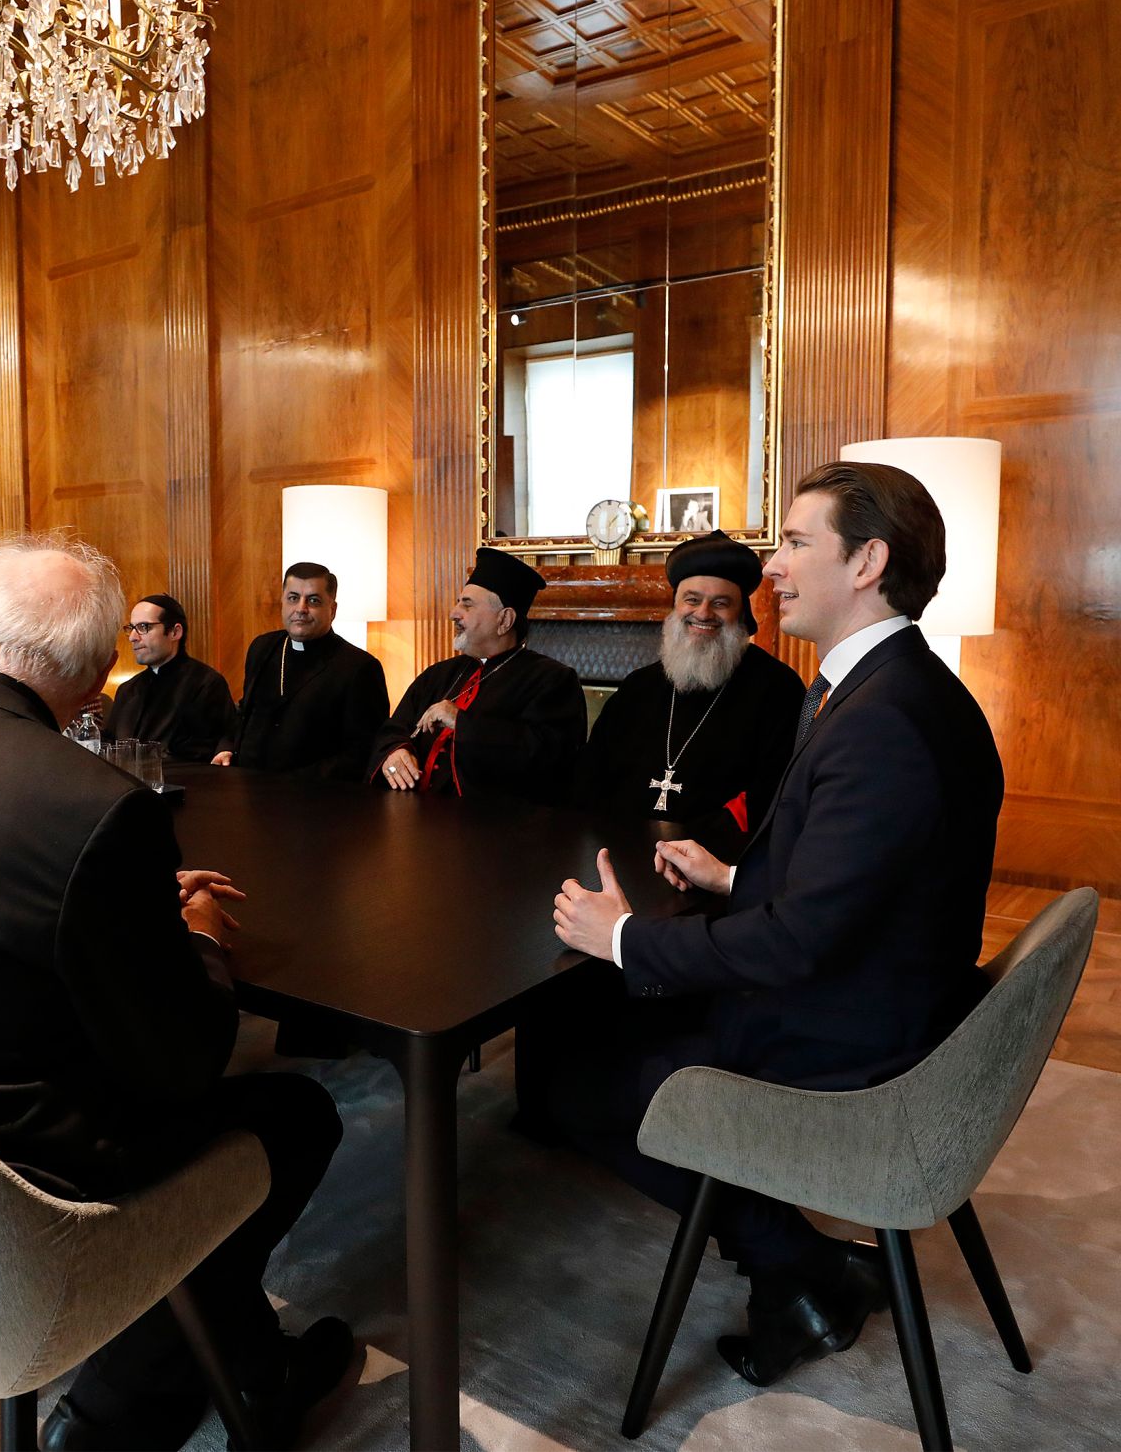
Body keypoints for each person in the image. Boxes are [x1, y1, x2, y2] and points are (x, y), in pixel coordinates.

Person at [0, 533, 351, 1451]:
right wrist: (195, 935)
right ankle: (131, 1406)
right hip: (4, 1179)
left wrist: (112, 899)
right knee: (295, 1113)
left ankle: (248, 1361)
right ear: (96, 678)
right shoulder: (94, 801)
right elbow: (186, 1061)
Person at [543, 461, 1004, 1390]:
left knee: (581, 1081)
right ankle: (799, 1265)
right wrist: (737, 871)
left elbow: (799, 943)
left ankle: (792, 1269)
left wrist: (627, 936)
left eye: (795, 541)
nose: (772, 567)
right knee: (604, 1024)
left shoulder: (882, 720)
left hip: (858, 1033)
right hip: (886, 986)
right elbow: (862, 879)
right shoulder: (896, 688)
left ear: (868, 559)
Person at [577, 531, 804, 859]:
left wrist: (696, 845)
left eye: (721, 603)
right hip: (623, 853)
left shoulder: (778, 689)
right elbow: (591, 775)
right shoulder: (638, 687)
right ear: (674, 607)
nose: (703, 613)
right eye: (692, 599)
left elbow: (776, 793)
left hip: (719, 862)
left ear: (741, 615)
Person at [369, 547, 585, 800]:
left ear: (504, 620)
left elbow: (548, 757)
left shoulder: (552, 680)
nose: (453, 613)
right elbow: (393, 729)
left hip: (490, 827)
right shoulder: (439, 674)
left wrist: (462, 723)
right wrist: (394, 751)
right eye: (459, 602)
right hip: (412, 813)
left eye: (467, 605)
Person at [215, 562, 388, 780]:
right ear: (282, 603)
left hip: (312, 798)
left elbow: (361, 752)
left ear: (332, 610)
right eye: (293, 598)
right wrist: (227, 747)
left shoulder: (359, 667)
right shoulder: (262, 647)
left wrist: (293, 784)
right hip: (248, 788)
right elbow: (246, 712)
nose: (301, 609)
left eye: (313, 600)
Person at [104, 592, 237, 761]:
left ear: (175, 632)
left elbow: (223, 740)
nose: (132, 637)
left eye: (144, 627)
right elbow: (110, 743)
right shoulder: (127, 689)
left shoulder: (206, 684)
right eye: (131, 628)